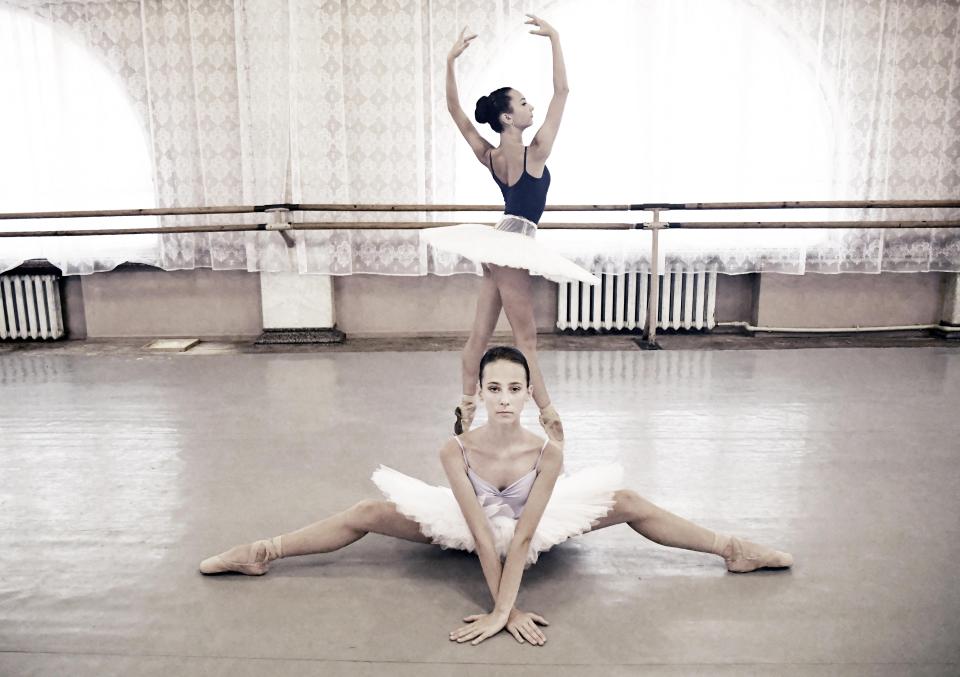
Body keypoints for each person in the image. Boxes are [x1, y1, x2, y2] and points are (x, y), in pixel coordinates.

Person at [200, 346, 794, 647]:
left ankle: (732, 548)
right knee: (366, 511)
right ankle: (262, 552)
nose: (505, 398)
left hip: (534, 522)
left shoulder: (547, 452)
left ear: (528, 394)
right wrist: (501, 609)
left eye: (515, 388)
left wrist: (503, 609)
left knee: (629, 499)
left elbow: (527, 534)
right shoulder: (453, 449)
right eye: (494, 388)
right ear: (479, 392)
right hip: (471, 526)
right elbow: (483, 533)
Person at [423, 14, 599, 445]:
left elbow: (455, 113)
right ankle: (549, 417)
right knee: (526, 339)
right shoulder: (534, 153)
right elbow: (563, 91)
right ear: (506, 117)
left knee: (481, 335)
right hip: (514, 244)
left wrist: (449, 62)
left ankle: (466, 408)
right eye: (522, 104)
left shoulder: (491, 156)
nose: (531, 106)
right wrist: (555, 38)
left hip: (499, 241)